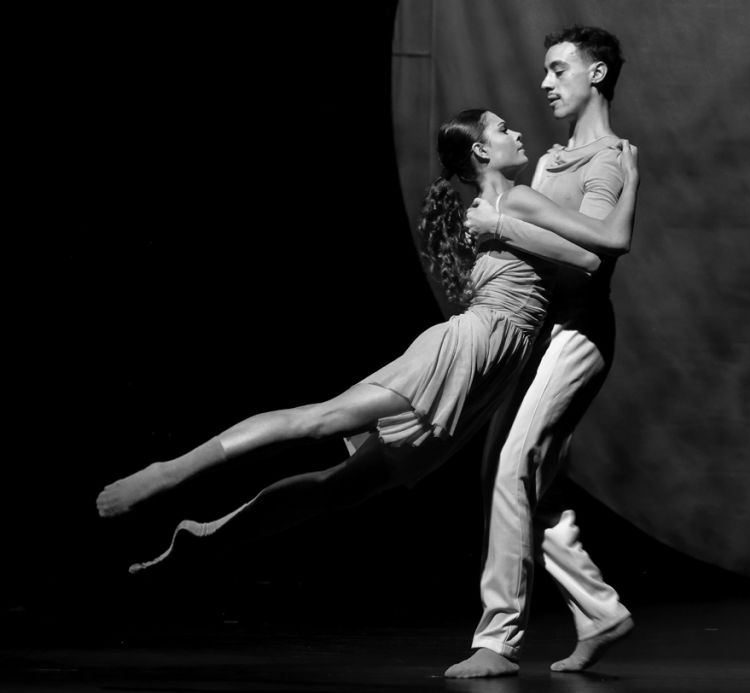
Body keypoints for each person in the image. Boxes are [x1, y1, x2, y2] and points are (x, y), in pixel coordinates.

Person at [95, 109, 639, 590]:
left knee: (342, 488)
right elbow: (597, 253)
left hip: (491, 364)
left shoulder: (499, 206)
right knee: (320, 420)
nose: (516, 133)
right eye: (503, 129)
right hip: (468, 349)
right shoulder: (514, 200)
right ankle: (169, 472)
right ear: (481, 150)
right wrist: (630, 179)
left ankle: (211, 538)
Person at [445, 26, 636, 679]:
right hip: (538, 330)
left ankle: (498, 638)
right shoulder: (552, 161)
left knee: (512, 467)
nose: (546, 83)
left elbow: (590, 254)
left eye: (559, 70)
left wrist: (501, 224)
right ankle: (599, 611)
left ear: (597, 74)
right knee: (515, 479)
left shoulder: (607, 160)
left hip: (577, 333)